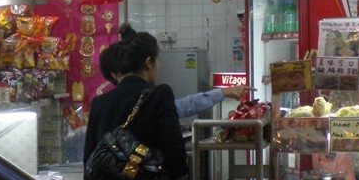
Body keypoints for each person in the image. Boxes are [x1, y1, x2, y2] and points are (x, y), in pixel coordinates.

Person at [83, 25, 189, 180]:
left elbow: (89, 159)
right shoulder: (160, 94)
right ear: (149, 62)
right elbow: (174, 150)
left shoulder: (100, 103)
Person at [98, 41, 250, 118]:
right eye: (156, 60)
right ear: (148, 63)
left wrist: (222, 92)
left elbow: (90, 155)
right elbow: (184, 107)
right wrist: (222, 93)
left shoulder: (101, 104)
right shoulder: (156, 97)